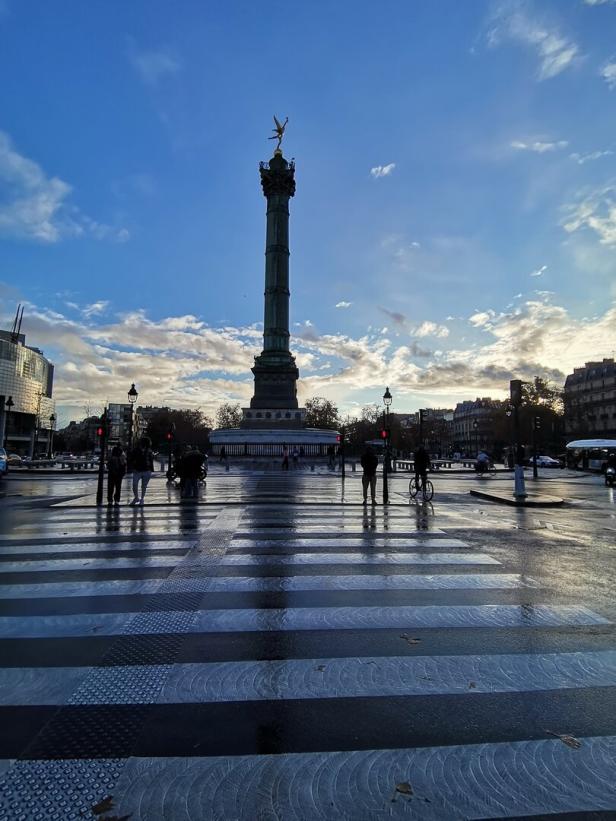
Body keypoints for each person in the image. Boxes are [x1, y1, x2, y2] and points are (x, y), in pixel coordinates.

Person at [129, 436, 154, 505]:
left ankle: (142, 499)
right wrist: (133, 468)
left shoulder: (148, 450)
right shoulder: (136, 450)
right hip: (138, 470)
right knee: (134, 485)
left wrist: (151, 469)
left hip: (146, 470)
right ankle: (136, 498)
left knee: (144, 486)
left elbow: (150, 460)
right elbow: (131, 459)